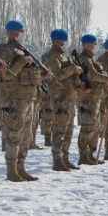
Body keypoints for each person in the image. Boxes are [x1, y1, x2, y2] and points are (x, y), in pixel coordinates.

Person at [0, 20, 43, 181]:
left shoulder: (23, 50)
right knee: (14, 135)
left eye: (21, 32)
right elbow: (6, 75)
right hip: (14, 99)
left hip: (28, 98)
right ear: (11, 32)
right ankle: (11, 171)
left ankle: (21, 167)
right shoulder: (5, 51)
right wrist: (22, 62)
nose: (20, 34)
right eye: (18, 32)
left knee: (26, 136)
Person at [45, 30, 84, 170]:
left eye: (63, 41)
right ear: (55, 40)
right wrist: (73, 69)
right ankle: (57, 160)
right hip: (59, 97)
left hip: (69, 96)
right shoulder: (51, 57)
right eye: (60, 40)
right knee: (59, 130)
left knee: (68, 131)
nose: (62, 43)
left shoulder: (63, 56)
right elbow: (56, 76)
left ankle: (65, 158)